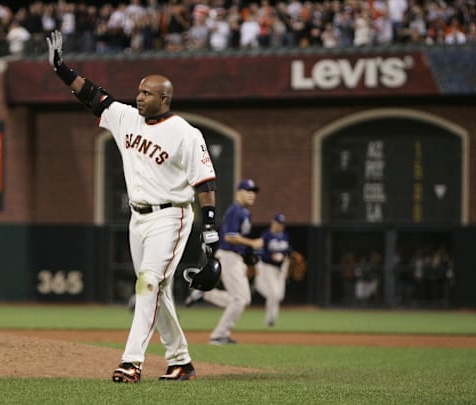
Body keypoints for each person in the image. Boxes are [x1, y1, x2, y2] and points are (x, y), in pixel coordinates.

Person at [46, 31, 219, 383]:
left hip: (172, 215)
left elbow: (205, 183)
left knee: (147, 284)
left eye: (146, 93)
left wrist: (211, 229)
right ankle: (181, 360)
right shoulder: (126, 117)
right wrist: (61, 69)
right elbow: (92, 95)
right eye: (139, 91)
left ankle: (131, 361)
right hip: (138, 219)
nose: (138, 97)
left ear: (164, 97)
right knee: (156, 289)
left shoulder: (186, 134)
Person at [185, 179, 264, 345]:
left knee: (243, 299)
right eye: (247, 191)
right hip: (228, 256)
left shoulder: (245, 213)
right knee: (240, 299)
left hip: (236, 258)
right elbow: (229, 237)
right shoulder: (235, 210)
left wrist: (248, 256)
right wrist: (252, 243)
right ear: (238, 193)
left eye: (253, 192)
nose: (251, 194)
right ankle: (219, 335)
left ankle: (205, 294)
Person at [254, 213, 292, 327]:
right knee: (274, 294)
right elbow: (260, 253)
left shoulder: (285, 236)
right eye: (279, 223)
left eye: (282, 224)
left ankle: (271, 320)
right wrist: (271, 257)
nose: (281, 226)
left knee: (279, 296)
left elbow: (288, 253)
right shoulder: (266, 235)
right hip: (268, 266)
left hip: (281, 268)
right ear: (273, 223)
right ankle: (270, 320)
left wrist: (286, 266)